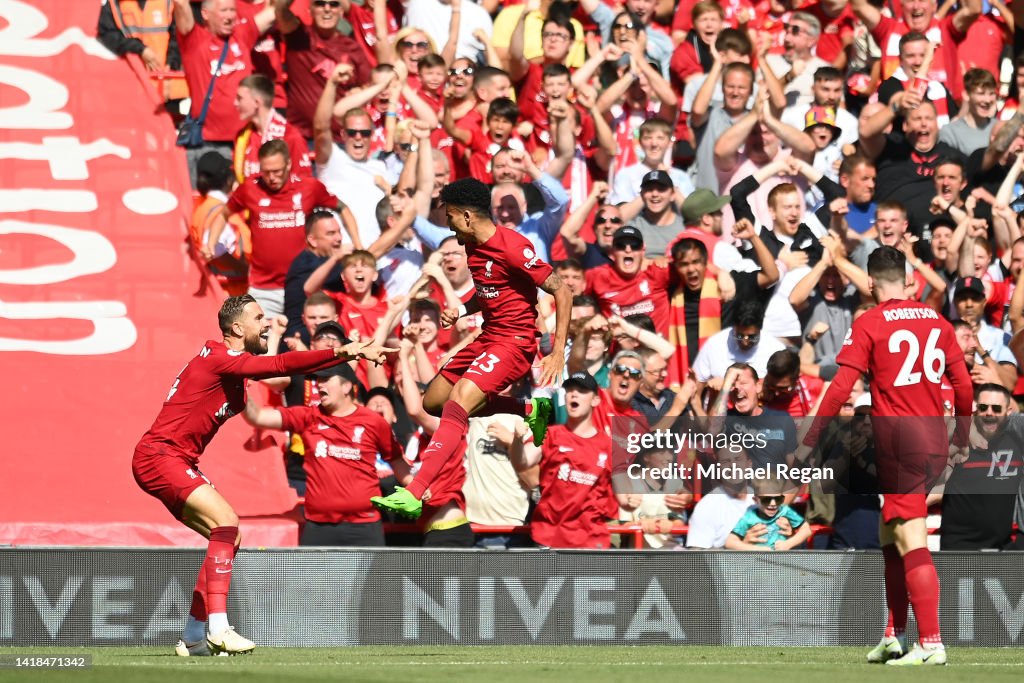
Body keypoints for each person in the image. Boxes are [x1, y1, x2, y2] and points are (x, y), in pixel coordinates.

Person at [131, 294, 392, 656]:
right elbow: (281, 365)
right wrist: (344, 352)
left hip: (172, 460)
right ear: (237, 328)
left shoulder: (227, 364)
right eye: (258, 318)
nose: (265, 322)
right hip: (162, 456)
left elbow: (277, 374)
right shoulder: (223, 359)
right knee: (226, 521)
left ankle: (193, 635)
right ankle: (219, 629)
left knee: (227, 536)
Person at [802, 246, 973, 666]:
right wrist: (963, 434)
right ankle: (894, 635)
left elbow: (841, 387)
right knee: (889, 536)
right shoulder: (938, 320)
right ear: (910, 280)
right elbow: (964, 384)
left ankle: (931, 643)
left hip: (899, 443)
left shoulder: (870, 322)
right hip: (931, 437)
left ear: (872, 282)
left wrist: (811, 438)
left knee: (910, 537)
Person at [371, 178, 572, 519]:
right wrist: (464, 309)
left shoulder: (512, 246)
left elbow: (562, 290)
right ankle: (528, 410)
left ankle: (416, 491)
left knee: (459, 402)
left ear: (466, 216)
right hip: (488, 336)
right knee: (433, 402)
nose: (448, 225)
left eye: (449, 217)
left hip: (516, 341)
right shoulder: (472, 247)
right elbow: (491, 289)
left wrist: (556, 351)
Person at [244, 363, 408, 547]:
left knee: (372, 577)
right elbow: (256, 416)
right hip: (319, 526)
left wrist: (418, 488)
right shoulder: (308, 417)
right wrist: (237, 385)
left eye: (326, 380)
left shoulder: (374, 422)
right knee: (314, 577)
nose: (319, 385)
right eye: (318, 381)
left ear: (347, 386)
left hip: (364, 526)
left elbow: (397, 461)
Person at [508, 371, 615, 549]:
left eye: (581, 391)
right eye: (569, 390)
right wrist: (517, 441)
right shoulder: (550, 434)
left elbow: (625, 496)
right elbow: (522, 462)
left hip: (590, 540)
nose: (573, 394)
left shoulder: (609, 445)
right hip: (550, 538)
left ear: (595, 400)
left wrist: (631, 499)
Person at [940, 383, 1024, 550]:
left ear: (1008, 412)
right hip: (958, 548)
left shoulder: (1018, 440)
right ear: (975, 409)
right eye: (984, 407)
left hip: (1005, 547)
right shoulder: (956, 441)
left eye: (997, 409)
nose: (989, 413)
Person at [725, 476, 812, 550]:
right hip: (757, 563)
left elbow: (806, 530)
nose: (773, 504)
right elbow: (730, 542)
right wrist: (757, 549)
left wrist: (788, 544)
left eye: (778, 499)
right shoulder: (750, 516)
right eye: (766, 500)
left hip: (781, 561)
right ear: (755, 500)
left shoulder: (784, 510)